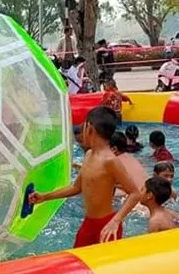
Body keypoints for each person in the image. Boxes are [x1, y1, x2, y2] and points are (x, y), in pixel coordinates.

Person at [28, 106, 140, 247]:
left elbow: (135, 193)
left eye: (83, 126)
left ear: (90, 128)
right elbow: (76, 188)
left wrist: (116, 221)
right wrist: (45, 197)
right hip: (88, 224)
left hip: (107, 225)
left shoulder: (110, 161)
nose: (81, 133)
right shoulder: (88, 155)